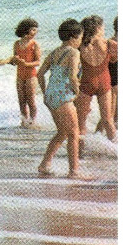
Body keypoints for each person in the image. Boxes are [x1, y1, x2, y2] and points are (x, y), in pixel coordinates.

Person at [38, 19, 86, 178]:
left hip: (51, 96)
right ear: (73, 37)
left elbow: (40, 74)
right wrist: (77, 91)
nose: (80, 41)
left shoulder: (54, 52)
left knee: (62, 132)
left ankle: (45, 164)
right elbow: (72, 76)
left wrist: (45, 92)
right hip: (63, 97)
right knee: (73, 134)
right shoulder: (74, 52)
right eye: (80, 37)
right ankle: (74, 171)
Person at [75, 14, 117, 145]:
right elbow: (114, 60)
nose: (104, 29)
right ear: (98, 28)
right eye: (102, 27)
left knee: (81, 121)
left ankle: (80, 155)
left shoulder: (80, 46)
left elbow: (74, 66)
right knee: (108, 120)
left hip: (86, 83)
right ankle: (117, 151)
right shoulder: (110, 44)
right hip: (104, 82)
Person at [13, 18, 41, 127]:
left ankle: (32, 122)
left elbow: (38, 62)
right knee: (21, 101)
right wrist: (14, 60)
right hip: (20, 75)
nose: (35, 32)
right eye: (33, 30)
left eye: (36, 30)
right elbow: (14, 60)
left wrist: (26, 64)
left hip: (31, 75)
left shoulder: (34, 44)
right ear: (26, 30)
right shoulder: (17, 44)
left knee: (31, 100)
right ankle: (24, 122)